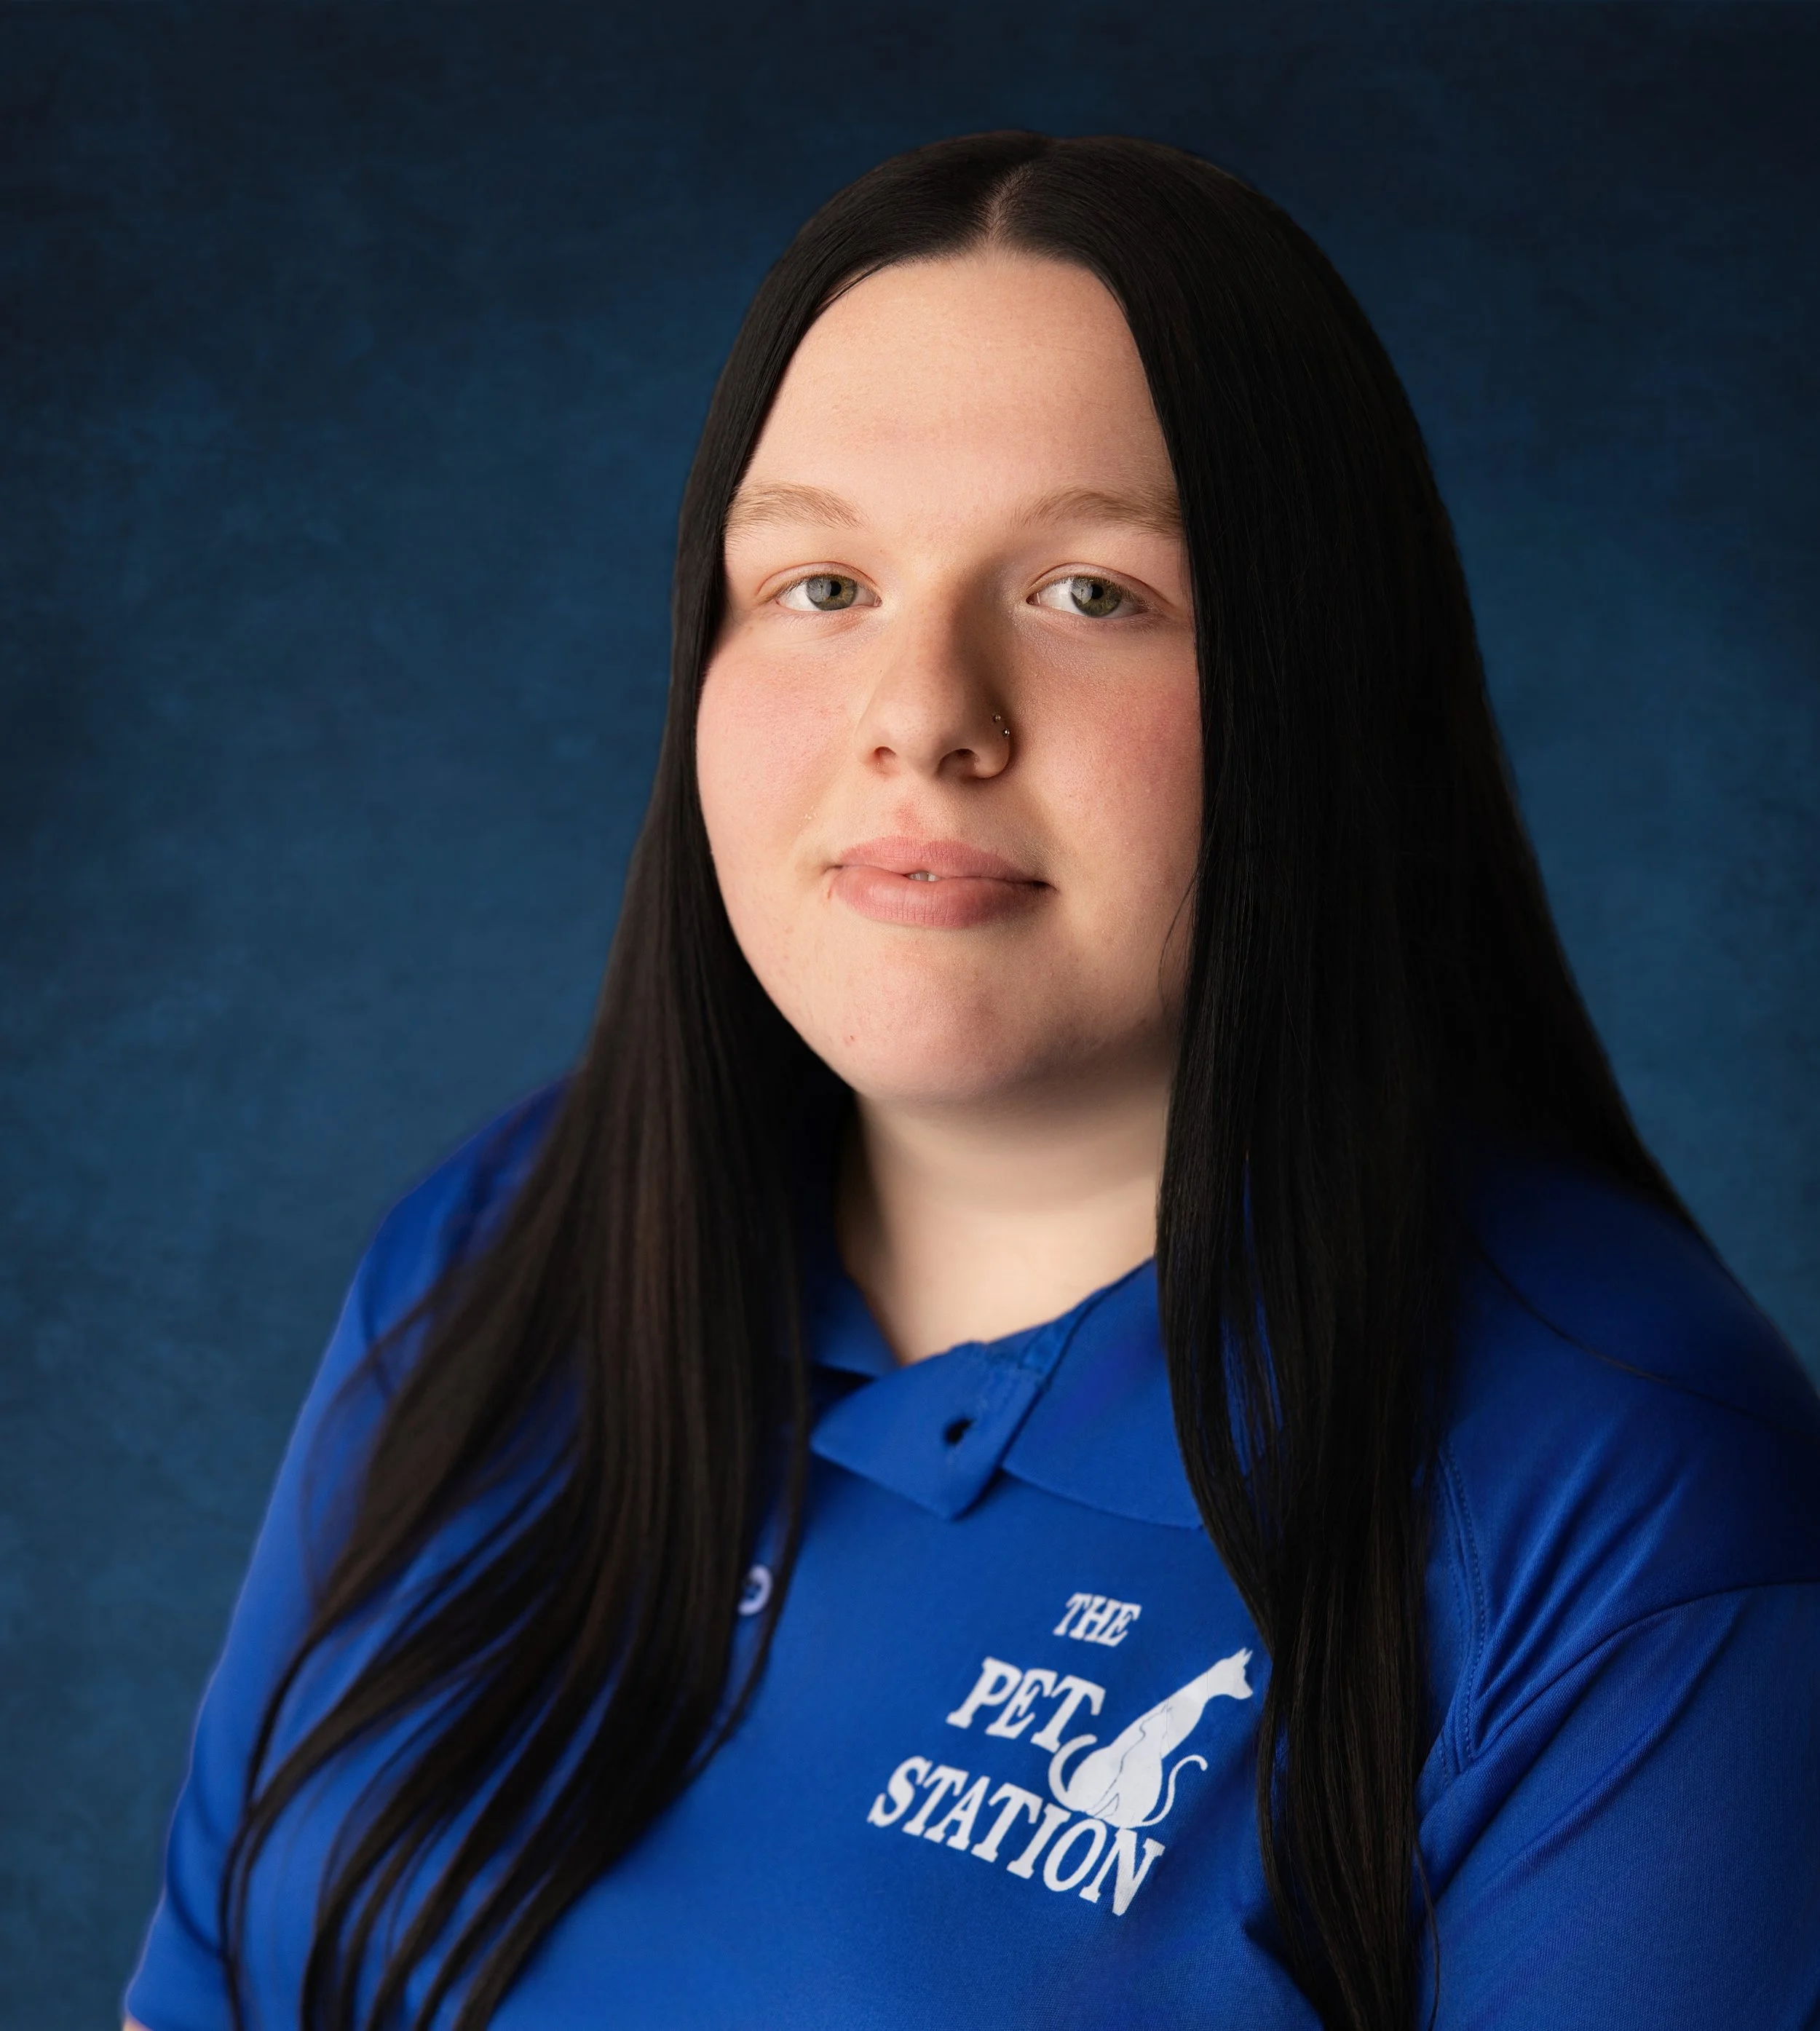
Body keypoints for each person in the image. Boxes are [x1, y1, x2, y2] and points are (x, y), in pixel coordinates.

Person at [124, 132, 1820, 2031]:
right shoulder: (491, 1251)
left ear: (1324, 685)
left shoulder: (1632, 1516)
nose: (920, 712)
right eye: (821, 580)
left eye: (1088, 591)